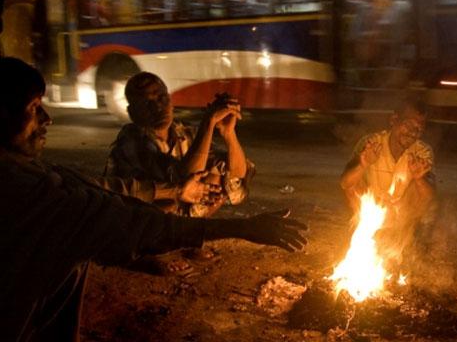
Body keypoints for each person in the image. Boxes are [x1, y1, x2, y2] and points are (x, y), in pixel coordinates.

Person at [0, 57, 307, 342]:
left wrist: (227, 134)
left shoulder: (31, 168)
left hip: (156, 210)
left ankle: (165, 246)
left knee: (210, 176)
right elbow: (130, 213)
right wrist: (242, 228)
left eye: (162, 96)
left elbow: (108, 187)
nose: (47, 118)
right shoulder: (128, 142)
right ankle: (150, 255)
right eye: (34, 107)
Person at [104, 71, 254, 271]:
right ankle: (146, 252)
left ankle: (185, 240)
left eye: (161, 97)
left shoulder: (182, 132)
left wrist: (228, 133)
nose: (158, 106)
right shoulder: (131, 139)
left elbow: (237, 173)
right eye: (147, 103)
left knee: (216, 177)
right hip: (132, 221)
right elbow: (179, 181)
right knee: (172, 197)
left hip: (170, 212)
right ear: (133, 112)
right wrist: (207, 124)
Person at [340, 97, 437, 276]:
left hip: (402, 222)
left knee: (426, 200)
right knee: (354, 181)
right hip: (371, 216)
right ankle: (368, 240)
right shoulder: (372, 143)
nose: (412, 133)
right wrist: (363, 164)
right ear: (394, 120)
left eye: (419, 129)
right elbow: (345, 183)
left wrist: (419, 179)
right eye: (408, 125)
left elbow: (429, 199)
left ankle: (408, 247)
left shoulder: (422, 152)